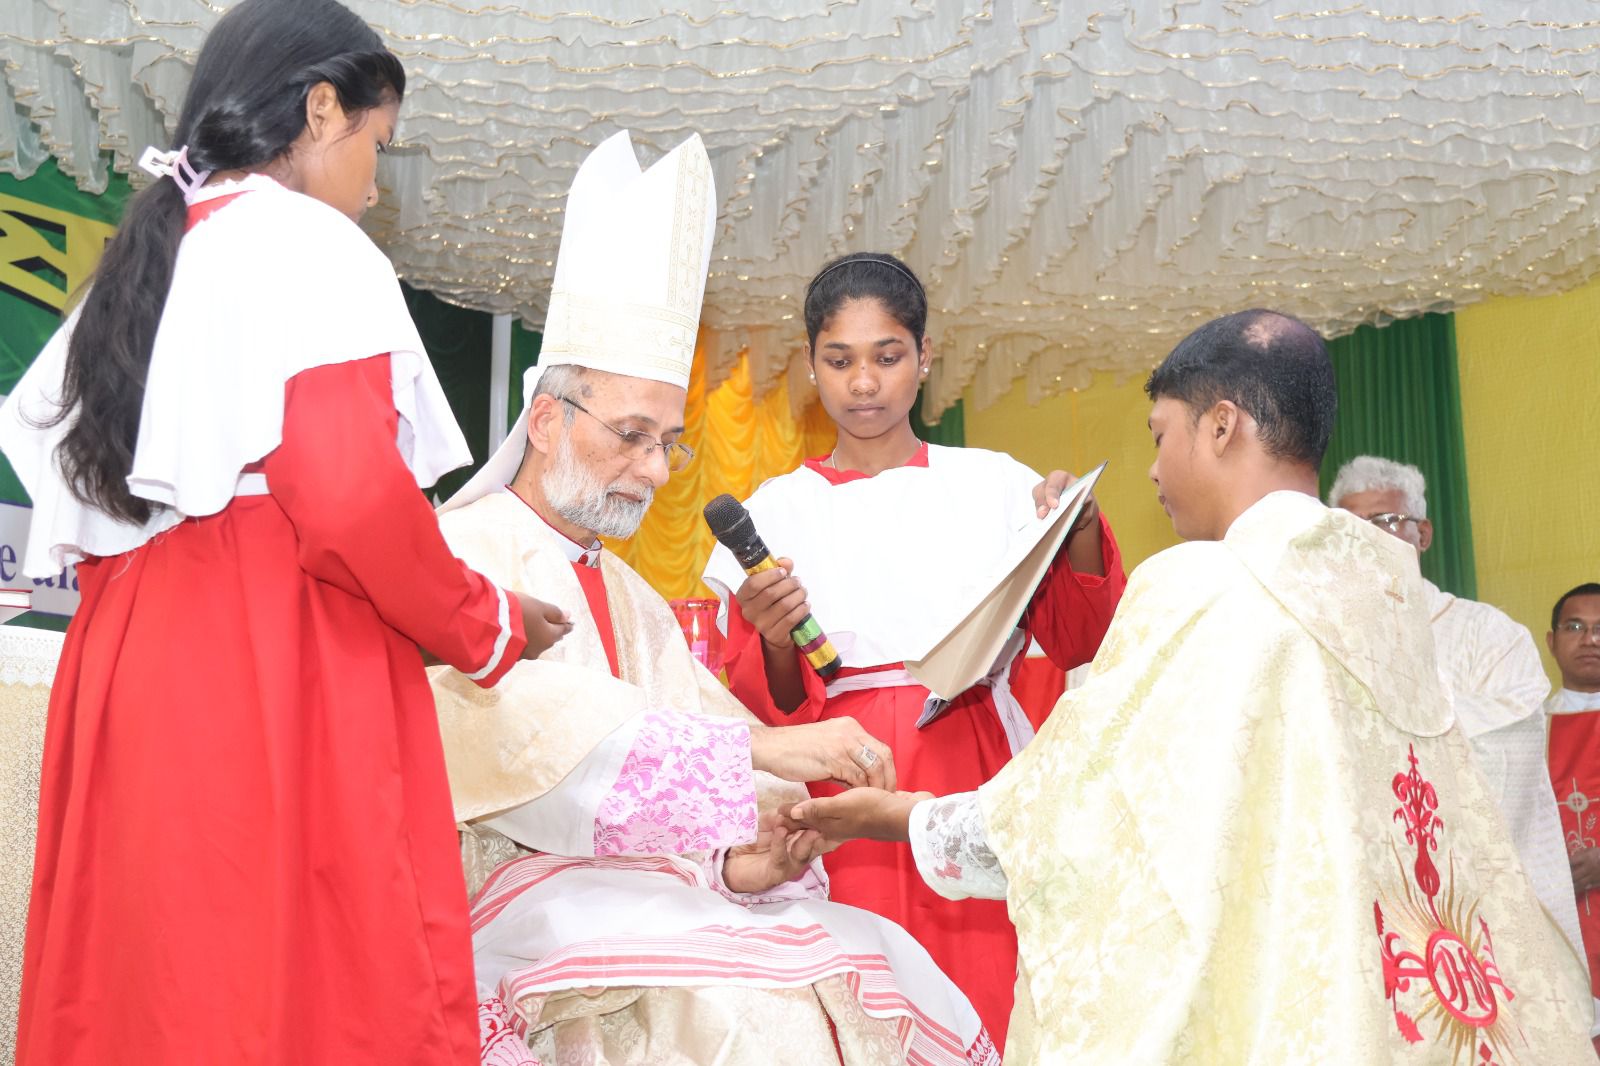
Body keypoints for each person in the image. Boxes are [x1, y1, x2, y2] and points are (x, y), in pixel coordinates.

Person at [785, 309, 1595, 1064]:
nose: (1152, 467)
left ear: (1220, 425)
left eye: (1159, 433)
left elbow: (1084, 813)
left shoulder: (1204, 585)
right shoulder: (1385, 588)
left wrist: (907, 819)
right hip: (1393, 993)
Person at [0, 2, 570, 1061]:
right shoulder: (306, 241)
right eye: (377, 145)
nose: (373, 181)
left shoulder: (150, 255)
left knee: (154, 985)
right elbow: (346, 497)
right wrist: (482, 619)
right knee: (294, 982)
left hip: (130, 664)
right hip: (268, 651)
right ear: (321, 109)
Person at [432, 131, 998, 1066]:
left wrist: (754, 855)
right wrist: (767, 746)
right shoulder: (458, 555)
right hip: (514, 900)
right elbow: (531, 750)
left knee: (876, 958)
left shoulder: (631, 595)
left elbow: (695, 800)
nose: (655, 471)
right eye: (631, 435)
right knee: (748, 1012)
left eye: (669, 442)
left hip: (642, 897)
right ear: (544, 418)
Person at [700, 252, 1127, 1045]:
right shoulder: (778, 508)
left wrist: (1081, 531)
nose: (865, 383)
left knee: (985, 988)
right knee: (852, 1007)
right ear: (812, 369)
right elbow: (769, 706)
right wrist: (772, 636)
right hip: (834, 778)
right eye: (841, 361)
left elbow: (1080, 638)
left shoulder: (996, 483)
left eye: (888, 357)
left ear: (925, 356)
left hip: (972, 757)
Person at [1329, 456, 1583, 965]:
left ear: (1422, 533)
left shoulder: (1489, 635)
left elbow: (1516, 737)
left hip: (1480, 901)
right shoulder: (1325, 641)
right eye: (1350, 529)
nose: (1368, 541)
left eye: (1384, 523)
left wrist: (1391, 721)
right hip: (1363, 900)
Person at [1545, 581, 1600, 1050]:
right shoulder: (1522, 730)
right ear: (1552, 641)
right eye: (1576, 627)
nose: (1590, 640)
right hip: (1557, 927)